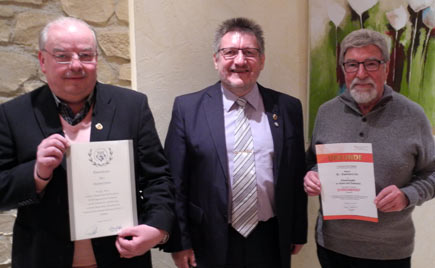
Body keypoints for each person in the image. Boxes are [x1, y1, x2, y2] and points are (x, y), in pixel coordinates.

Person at [0, 17, 174, 268]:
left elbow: (158, 178)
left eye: (85, 55)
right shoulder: (14, 114)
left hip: (121, 260)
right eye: (62, 56)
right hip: (43, 259)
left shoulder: (131, 106)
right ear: (42, 61)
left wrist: (157, 228)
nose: (76, 65)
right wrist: (37, 174)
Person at [163, 17, 307, 268]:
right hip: (208, 239)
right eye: (229, 52)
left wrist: (297, 230)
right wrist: (180, 241)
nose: (239, 61)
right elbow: (175, 182)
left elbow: (296, 175)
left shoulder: (287, 108)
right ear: (216, 59)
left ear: (262, 60)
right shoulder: (187, 108)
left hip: (270, 237)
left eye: (249, 53)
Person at [304, 29, 435, 268]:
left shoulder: (413, 115)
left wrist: (407, 196)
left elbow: (432, 174)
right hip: (332, 247)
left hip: (390, 252)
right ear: (344, 69)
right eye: (352, 64)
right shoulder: (326, 113)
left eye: (371, 64)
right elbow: (313, 160)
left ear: (386, 67)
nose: (361, 74)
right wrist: (311, 175)